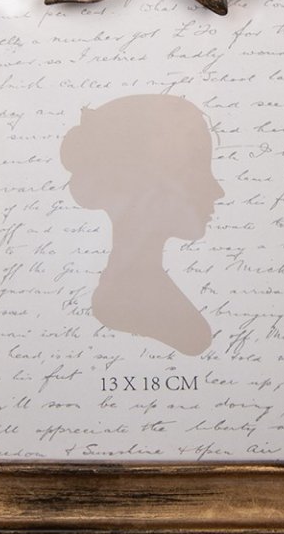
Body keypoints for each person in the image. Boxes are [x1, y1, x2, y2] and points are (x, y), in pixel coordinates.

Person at [60, 94, 224, 355]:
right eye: (195, 170)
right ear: (140, 185)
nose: (217, 191)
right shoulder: (126, 301)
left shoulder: (144, 293)